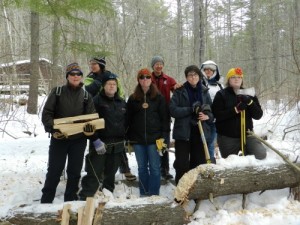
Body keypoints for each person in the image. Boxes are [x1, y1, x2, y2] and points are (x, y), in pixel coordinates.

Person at [41, 63, 96, 203]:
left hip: (78, 140)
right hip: (59, 138)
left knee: (74, 171)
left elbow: (91, 117)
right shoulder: (57, 92)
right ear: (67, 76)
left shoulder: (86, 96)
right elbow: (47, 114)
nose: (75, 76)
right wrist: (53, 129)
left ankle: (70, 200)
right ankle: (46, 200)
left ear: (81, 77)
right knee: (54, 170)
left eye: (78, 74)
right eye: (72, 74)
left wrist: (89, 129)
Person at [84, 57, 136, 181]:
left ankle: (125, 169)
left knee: (118, 144)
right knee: (98, 147)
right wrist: (102, 79)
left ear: (101, 65)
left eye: (95, 64)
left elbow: (120, 90)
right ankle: (98, 174)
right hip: (97, 108)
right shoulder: (89, 78)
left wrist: (118, 100)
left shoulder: (113, 77)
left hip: (114, 107)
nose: (92, 66)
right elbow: (89, 89)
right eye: (91, 64)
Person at [79, 73, 127, 199]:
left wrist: (125, 139)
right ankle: (85, 197)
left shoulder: (121, 102)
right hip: (100, 143)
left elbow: (126, 122)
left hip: (117, 145)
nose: (112, 86)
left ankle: (107, 195)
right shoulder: (95, 101)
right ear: (104, 86)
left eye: (114, 84)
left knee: (111, 174)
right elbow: (89, 123)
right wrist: (95, 140)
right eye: (109, 84)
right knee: (94, 172)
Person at [126, 68, 169, 196]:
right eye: (142, 77)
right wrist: (129, 136)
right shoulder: (133, 99)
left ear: (151, 80)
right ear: (138, 80)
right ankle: (144, 193)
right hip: (138, 140)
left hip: (155, 140)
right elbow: (127, 119)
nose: (145, 80)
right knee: (142, 168)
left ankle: (154, 194)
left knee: (155, 169)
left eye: (147, 77)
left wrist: (164, 138)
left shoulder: (159, 97)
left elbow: (165, 120)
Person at [169, 65, 214, 185]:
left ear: (199, 76)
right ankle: (181, 191)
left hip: (200, 133)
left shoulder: (204, 91)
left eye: (195, 75)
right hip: (183, 134)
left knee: (198, 164)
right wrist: (190, 110)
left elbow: (211, 111)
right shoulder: (179, 91)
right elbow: (173, 110)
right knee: (182, 165)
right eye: (190, 75)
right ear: (186, 77)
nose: (193, 77)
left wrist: (207, 116)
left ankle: (195, 191)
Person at [212, 67, 267, 160]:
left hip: (248, 134)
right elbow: (217, 115)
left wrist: (250, 102)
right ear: (228, 80)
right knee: (231, 161)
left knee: (260, 154)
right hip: (228, 136)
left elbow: (258, 115)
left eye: (239, 77)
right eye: (233, 77)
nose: (236, 79)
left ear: (242, 80)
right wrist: (235, 110)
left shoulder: (250, 94)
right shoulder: (221, 94)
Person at [150, 55, 181, 180]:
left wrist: (178, 87)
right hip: (151, 115)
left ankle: (165, 170)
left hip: (165, 115)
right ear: (153, 66)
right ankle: (154, 169)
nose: (158, 66)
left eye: (160, 64)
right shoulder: (148, 78)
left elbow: (177, 90)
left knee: (164, 143)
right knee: (153, 143)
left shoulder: (168, 79)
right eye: (156, 64)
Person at [200, 60, 223, 163]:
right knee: (201, 143)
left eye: (211, 69)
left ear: (215, 71)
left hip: (214, 119)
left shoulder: (220, 86)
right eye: (206, 69)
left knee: (211, 143)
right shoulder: (199, 83)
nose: (208, 71)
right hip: (201, 119)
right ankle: (200, 162)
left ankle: (210, 163)